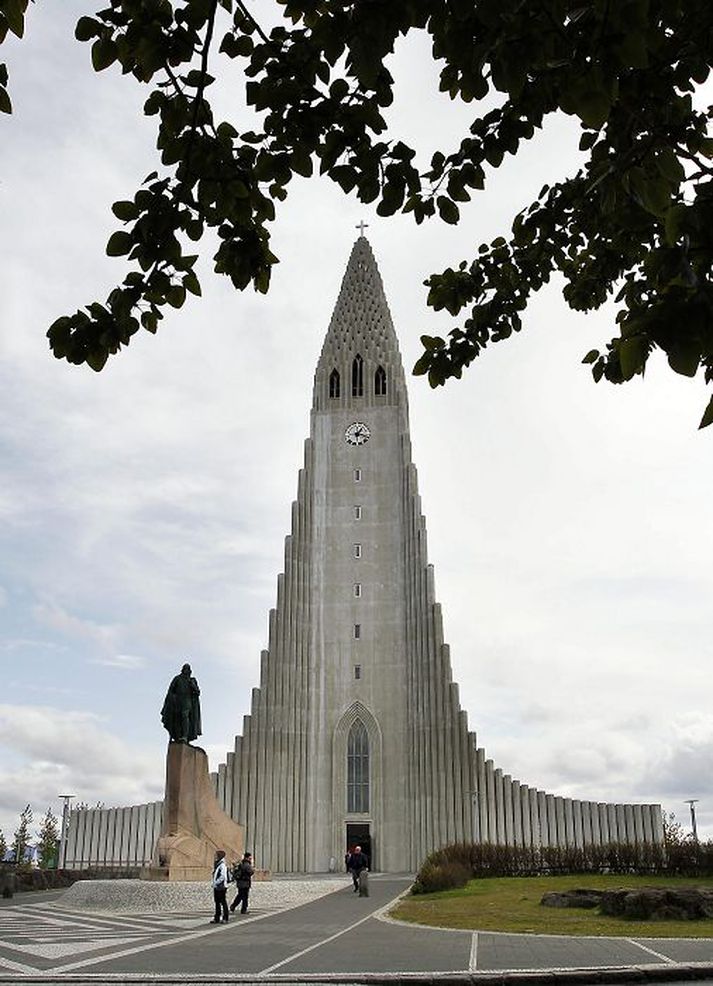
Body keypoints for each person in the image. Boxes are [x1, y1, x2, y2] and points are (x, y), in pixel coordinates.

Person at [160, 663, 202, 743]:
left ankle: (185, 736)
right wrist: (173, 697)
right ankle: (178, 736)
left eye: (188, 670)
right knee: (177, 719)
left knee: (185, 716)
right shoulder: (177, 679)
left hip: (187, 701)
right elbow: (171, 691)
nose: (187, 671)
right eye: (185, 669)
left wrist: (192, 685)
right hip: (178, 702)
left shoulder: (192, 680)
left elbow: (197, 692)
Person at [211, 850, 229, 924]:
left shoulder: (222, 865)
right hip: (217, 886)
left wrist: (216, 882)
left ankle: (225, 917)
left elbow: (223, 876)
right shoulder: (217, 864)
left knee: (223, 902)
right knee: (217, 902)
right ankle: (217, 917)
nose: (214, 856)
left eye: (216, 855)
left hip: (221, 886)